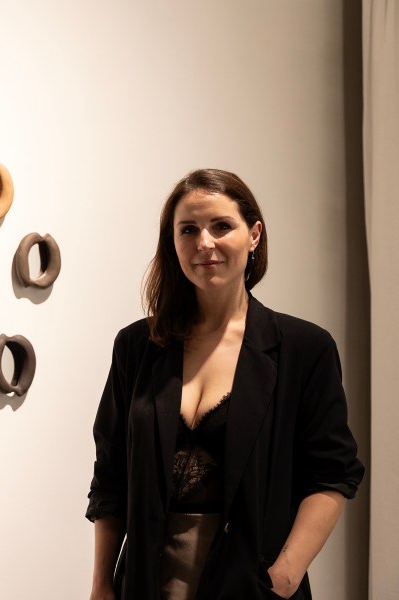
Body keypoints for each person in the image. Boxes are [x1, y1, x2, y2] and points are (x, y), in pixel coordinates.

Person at [86, 169, 364, 600]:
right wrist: (102, 585)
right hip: (146, 582)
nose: (204, 243)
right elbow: (110, 478)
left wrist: (287, 573)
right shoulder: (136, 346)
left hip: (253, 586)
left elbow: (332, 475)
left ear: (254, 235)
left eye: (221, 226)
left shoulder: (303, 349)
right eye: (188, 229)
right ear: (172, 242)